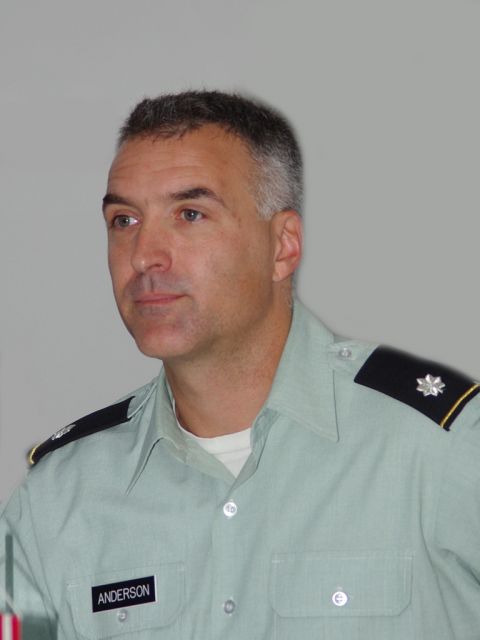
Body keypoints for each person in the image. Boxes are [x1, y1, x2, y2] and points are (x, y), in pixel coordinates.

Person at [1, 90, 480, 640]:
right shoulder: (57, 499)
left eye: (190, 214)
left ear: (282, 246)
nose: (144, 255)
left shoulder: (443, 447)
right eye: (124, 220)